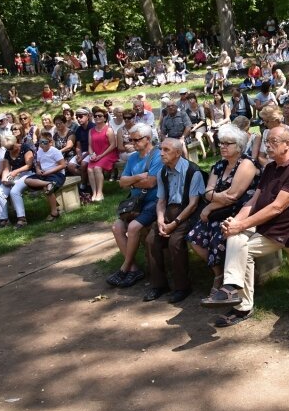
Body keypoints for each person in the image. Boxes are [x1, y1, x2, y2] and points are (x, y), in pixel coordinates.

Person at [202, 126, 289, 326]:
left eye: (273, 142)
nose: (267, 146)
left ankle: (241, 304)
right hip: (265, 223)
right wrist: (236, 221)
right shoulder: (270, 168)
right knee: (235, 237)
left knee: (242, 248)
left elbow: (277, 208)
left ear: (288, 145)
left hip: (286, 228)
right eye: (266, 141)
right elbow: (253, 201)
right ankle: (231, 290)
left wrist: (242, 225)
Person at [188, 125, 260, 298]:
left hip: (239, 212)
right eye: (221, 143)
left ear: (239, 146)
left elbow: (234, 196)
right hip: (219, 212)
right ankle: (219, 273)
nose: (222, 146)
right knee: (194, 237)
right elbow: (207, 192)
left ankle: (227, 282)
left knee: (220, 237)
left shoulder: (247, 164)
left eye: (228, 143)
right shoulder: (219, 165)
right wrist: (216, 197)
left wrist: (211, 204)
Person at [143, 138, 205, 303]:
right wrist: (161, 220)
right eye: (161, 149)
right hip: (168, 212)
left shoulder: (193, 171)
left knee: (175, 242)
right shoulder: (162, 172)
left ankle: (182, 287)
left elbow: (193, 205)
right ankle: (159, 285)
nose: (161, 153)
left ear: (178, 153)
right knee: (151, 240)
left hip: (188, 213)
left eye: (166, 150)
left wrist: (174, 224)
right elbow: (161, 201)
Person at [105, 123, 163, 288]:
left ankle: (124, 268)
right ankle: (134, 269)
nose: (133, 143)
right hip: (135, 203)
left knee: (133, 228)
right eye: (131, 140)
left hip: (154, 202)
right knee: (117, 227)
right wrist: (138, 178)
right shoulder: (132, 158)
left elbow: (151, 183)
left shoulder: (158, 156)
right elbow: (122, 182)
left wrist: (131, 182)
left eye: (137, 140)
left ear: (148, 138)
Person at [23, 132, 68, 222]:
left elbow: (62, 165)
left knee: (47, 189)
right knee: (27, 180)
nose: (42, 144)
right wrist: (38, 170)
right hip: (44, 175)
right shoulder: (39, 151)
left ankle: (54, 212)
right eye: (40, 142)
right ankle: (49, 183)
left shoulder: (55, 151)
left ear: (50, 142)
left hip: (57, 174)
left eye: (44, 142)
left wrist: (49, 172)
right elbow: (38, 165)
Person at [0, 135, 34, 228]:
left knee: (14, 191)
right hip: (15, 176)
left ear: (16, 142)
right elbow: (6, 168)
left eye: (11, 147)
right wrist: (4, 179)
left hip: (28, 174)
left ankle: (22, 219)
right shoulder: (7, 153)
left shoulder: (25, 148)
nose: (10, 150)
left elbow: (29, 165)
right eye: (7, 148)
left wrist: (16, 171)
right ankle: (4, 219)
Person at [87, 106, 118, 202]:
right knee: (89, 169)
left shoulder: (108, 129)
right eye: (95, 116)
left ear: (105, 118)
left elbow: (113, 145)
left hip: (108, 154)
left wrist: (101, 155)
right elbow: (90, 145)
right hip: (96, 155)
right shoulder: (91, 131)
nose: (97, 118)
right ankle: (94, 192)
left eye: (99, 116)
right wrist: (92, 154)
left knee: (97, 168)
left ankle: (100, 193)